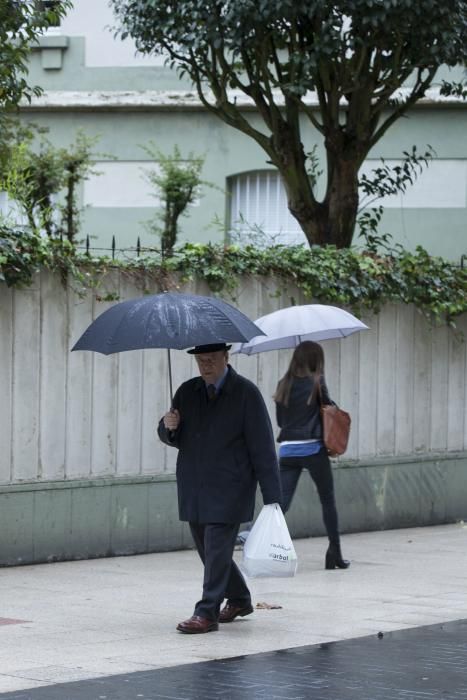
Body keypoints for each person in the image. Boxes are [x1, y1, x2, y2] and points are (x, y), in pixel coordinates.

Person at [158, 342, 282, 634]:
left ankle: (206, 613)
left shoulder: (246, 394)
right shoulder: (187, 392)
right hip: (195, 485)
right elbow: (172, 436)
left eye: (212, 359)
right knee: (209, 551)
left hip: (231, 485)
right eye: (201, 360)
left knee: (216, 548)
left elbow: (263, 447)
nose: (206, 365)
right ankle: (239, 598)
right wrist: (169, 427)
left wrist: (273, 498)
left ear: (226, 357)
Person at [274, 341, 349, 570]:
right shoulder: (317, 381)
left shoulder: (283, 384)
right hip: (313, 448)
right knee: (327, 499)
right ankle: (334, 553)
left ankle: (259, 542)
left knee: (280, 505)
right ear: (317, 360)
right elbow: (329, 409)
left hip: (287, 450)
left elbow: (280, 422)